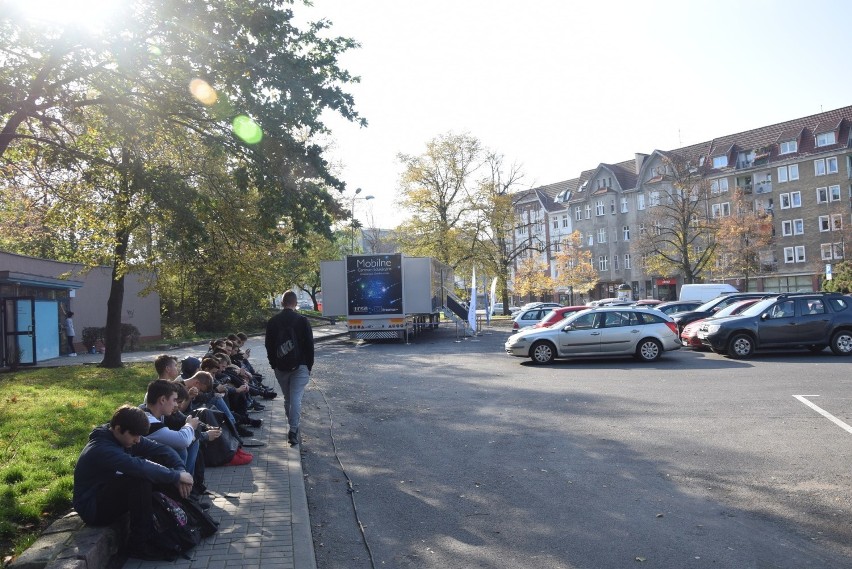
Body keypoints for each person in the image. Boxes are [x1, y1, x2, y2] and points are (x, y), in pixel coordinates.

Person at [72, 405, 193, 559]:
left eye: (140, 436)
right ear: (118, 428)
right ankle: (139, 544)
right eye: (135, 436)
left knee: (158, 466)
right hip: (93, 508)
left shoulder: (123, 436)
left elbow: (163, 450)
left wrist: (181, 471)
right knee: (140, 479)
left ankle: (185, 508)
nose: (138, 440)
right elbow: (139, 467)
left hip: (109, 492)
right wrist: (175, 476)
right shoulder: (102, 449)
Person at [265, 290, 314, 445]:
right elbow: (309, 346)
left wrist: (274, 364)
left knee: (288, 398)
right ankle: (293, 430)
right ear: (295, 303)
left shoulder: (273, 321)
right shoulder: (302, 320)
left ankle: (292, 425)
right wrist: (308, 366)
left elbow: (268, 345)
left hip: (281, 367)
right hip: (300, 366)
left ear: (282, 302)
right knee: (296, 398)